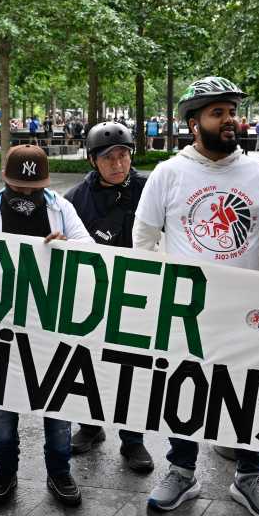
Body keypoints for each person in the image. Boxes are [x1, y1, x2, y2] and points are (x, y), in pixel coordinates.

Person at [133, 76, 259, 516]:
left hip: (249, 314)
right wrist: (158, 292)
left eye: (232, 111)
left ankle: (249, 477)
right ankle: (182, 472)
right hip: (189, 313)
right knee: (184, 391)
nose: (229, 120)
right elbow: (143, 240)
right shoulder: (168, 174)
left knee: (250, 393)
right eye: (217, 112)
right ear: (193, 123)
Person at [0, 145, 90, 507]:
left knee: (58, 404)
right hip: (4, 325)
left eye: (32, 187)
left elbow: (89, 249)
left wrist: (68, 247)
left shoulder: (60, 208)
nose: (25, 194)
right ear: (5, 180)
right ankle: (4, 470)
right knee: (3, 407)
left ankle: (59, 471)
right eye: (18, 187)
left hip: (51, 325)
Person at [63, 122, 153, 473]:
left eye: (123, 156)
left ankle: (133, 440)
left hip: (137, 293)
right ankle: (89, 425)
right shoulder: (75, 199)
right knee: (88, 362)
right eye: (108, 158)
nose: (118, 164)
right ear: (92, 160)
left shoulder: (149, 189)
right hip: (91, 292)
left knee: (130, 366)